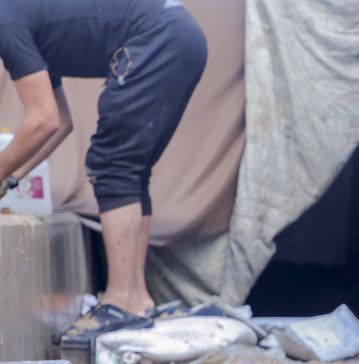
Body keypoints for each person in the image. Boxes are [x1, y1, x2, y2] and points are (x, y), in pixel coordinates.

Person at [0, 0, 208, 322]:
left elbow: (43, 120)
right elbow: (61, 123)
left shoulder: (5, 22)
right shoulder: (23, 20)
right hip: (179, 34)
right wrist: (11, 178)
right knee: (129, 170)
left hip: (157, 36)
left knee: (112, 166)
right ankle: (138, 299)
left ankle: (120, 302)